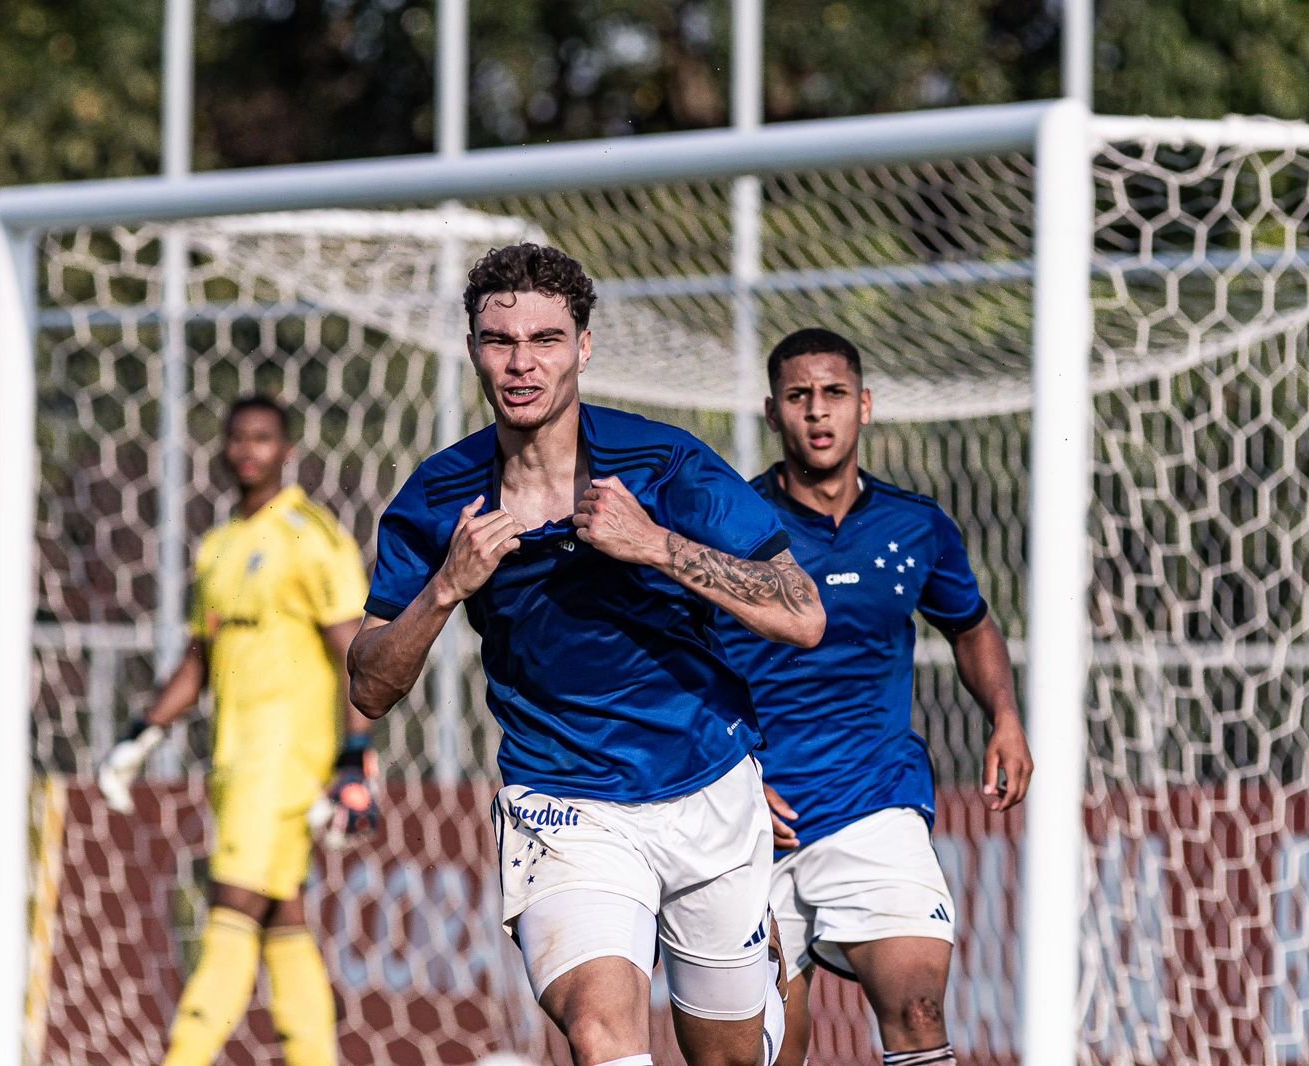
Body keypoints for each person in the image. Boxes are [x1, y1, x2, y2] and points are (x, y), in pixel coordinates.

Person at [348, 243, 827, 1066]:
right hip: (564, 805)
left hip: (707, 790)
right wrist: (445, 589)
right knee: (606, 1037)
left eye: (545, 339)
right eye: (500, 341)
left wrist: (655, 545)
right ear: (472, 349)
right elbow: (369, 685)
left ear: (584, 347)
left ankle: (771, 976)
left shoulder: (664, 464)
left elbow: (803, 613)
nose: (521, 363)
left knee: (732, 1058)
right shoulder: (438, 496)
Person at [713, 328, 1034, 1066]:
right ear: (772, 412)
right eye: (799, 397)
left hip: (875, 802)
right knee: (764, 1053)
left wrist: (1006, 719)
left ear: (864, 406)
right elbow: (676, 659)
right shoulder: (730, 525)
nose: (817, 414)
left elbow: (972, 626)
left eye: (832, 396)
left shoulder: (915, 526)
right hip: (753, 823)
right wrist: (729, 776)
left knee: (919, 1007)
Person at [98, 394, 379, 1066]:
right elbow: (200, 659)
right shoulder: (220, 547)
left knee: (231, 904)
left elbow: (357, 656)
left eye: (263, 438)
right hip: (235, 760)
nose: (248, 450)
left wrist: (355, 757)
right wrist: (142, 733)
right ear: (224, 448)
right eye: (238, 438)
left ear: (287, 451)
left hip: (288, 761)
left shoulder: (311, 537)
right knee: (283, 917)